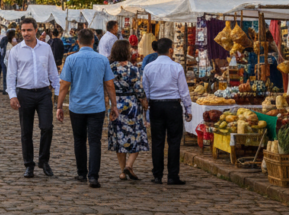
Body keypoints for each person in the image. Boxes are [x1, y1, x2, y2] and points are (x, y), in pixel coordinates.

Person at [56, 28, 119, 188]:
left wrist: (59, 106)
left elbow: (64, 85)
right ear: (93, 41)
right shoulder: (103, 60)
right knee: (95, 141)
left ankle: (81, 172)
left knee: (79, 140)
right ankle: (93, 176)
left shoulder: (71, 60)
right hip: (97, 107)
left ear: (77, 42)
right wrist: (114, 105)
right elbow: (110, 85)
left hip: (77, 106)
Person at [7, 18, 60, 178]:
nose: (26, 33)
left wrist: (57, 93)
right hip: (25, 93)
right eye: (23, 30)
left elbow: (53, 72)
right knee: (26, 131)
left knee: (47, 127)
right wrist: (12, 95)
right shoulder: (16, 51)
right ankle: (28, 164)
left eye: (29, 30)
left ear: (36, 30)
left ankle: (43, 160)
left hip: (44, 92)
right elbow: (11, 75)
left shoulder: (45, 48)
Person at [141, 37, 192, 185]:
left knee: (157, 141)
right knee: (174, 141)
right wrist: (188, 108)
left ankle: (157, 175)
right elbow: (184, 90)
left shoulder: (149, 67)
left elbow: (146, 90)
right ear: (170, 50)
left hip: (156, 106)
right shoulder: (176, 67)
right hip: (173, 106)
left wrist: (148, 108)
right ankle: (172, 175)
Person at [107, 40, 148, 181]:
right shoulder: (133, 69)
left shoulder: (109, 68)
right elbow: (138, 89)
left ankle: (122, 171)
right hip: (131, 104)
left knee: (119, 137)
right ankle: (129, 165)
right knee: (137, 135)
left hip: (116, 104)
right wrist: (144, 102)